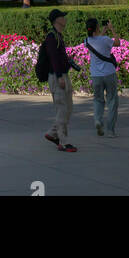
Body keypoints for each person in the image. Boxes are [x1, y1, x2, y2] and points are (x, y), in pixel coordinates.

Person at [42, 9, 80, 153]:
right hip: (57, 77)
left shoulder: (58, 36)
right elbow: (53, 58)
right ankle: (63, 142)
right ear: (57, 20)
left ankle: (53, 133)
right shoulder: (51, 37)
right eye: (62, 17)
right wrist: (59, 76)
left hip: (63, 75)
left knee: (68, 108)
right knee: (62, 109)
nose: (65, 19)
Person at [85, 17, 121, 137]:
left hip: (96, 76)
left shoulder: (87, 41)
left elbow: (97, 41)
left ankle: (98, 120)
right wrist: (112, 29)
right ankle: (110, 130)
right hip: (109, 74)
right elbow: (117, 43)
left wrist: (104, 31)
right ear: (96, 27)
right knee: (112, 100)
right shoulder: (105, 39)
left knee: (98, 100)